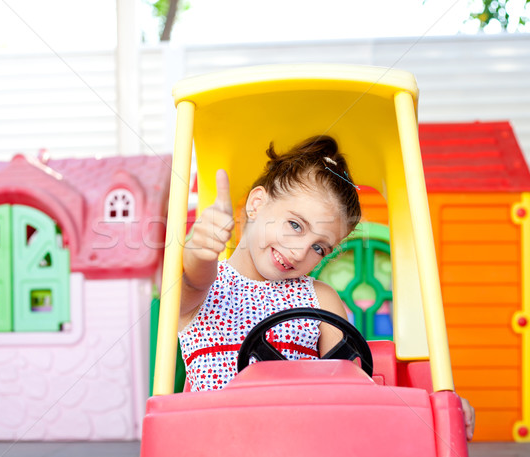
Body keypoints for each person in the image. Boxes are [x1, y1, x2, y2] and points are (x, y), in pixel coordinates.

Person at [178, 135, 475, 441]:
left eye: (319, 248)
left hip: (306, 441)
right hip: (217, 441)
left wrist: (435, 409)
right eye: (295, 225)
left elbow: (355, 390)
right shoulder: (208, 285)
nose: (299, 253)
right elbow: (193, 281)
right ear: (257, 204)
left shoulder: (319, 298)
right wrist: (199, 252)